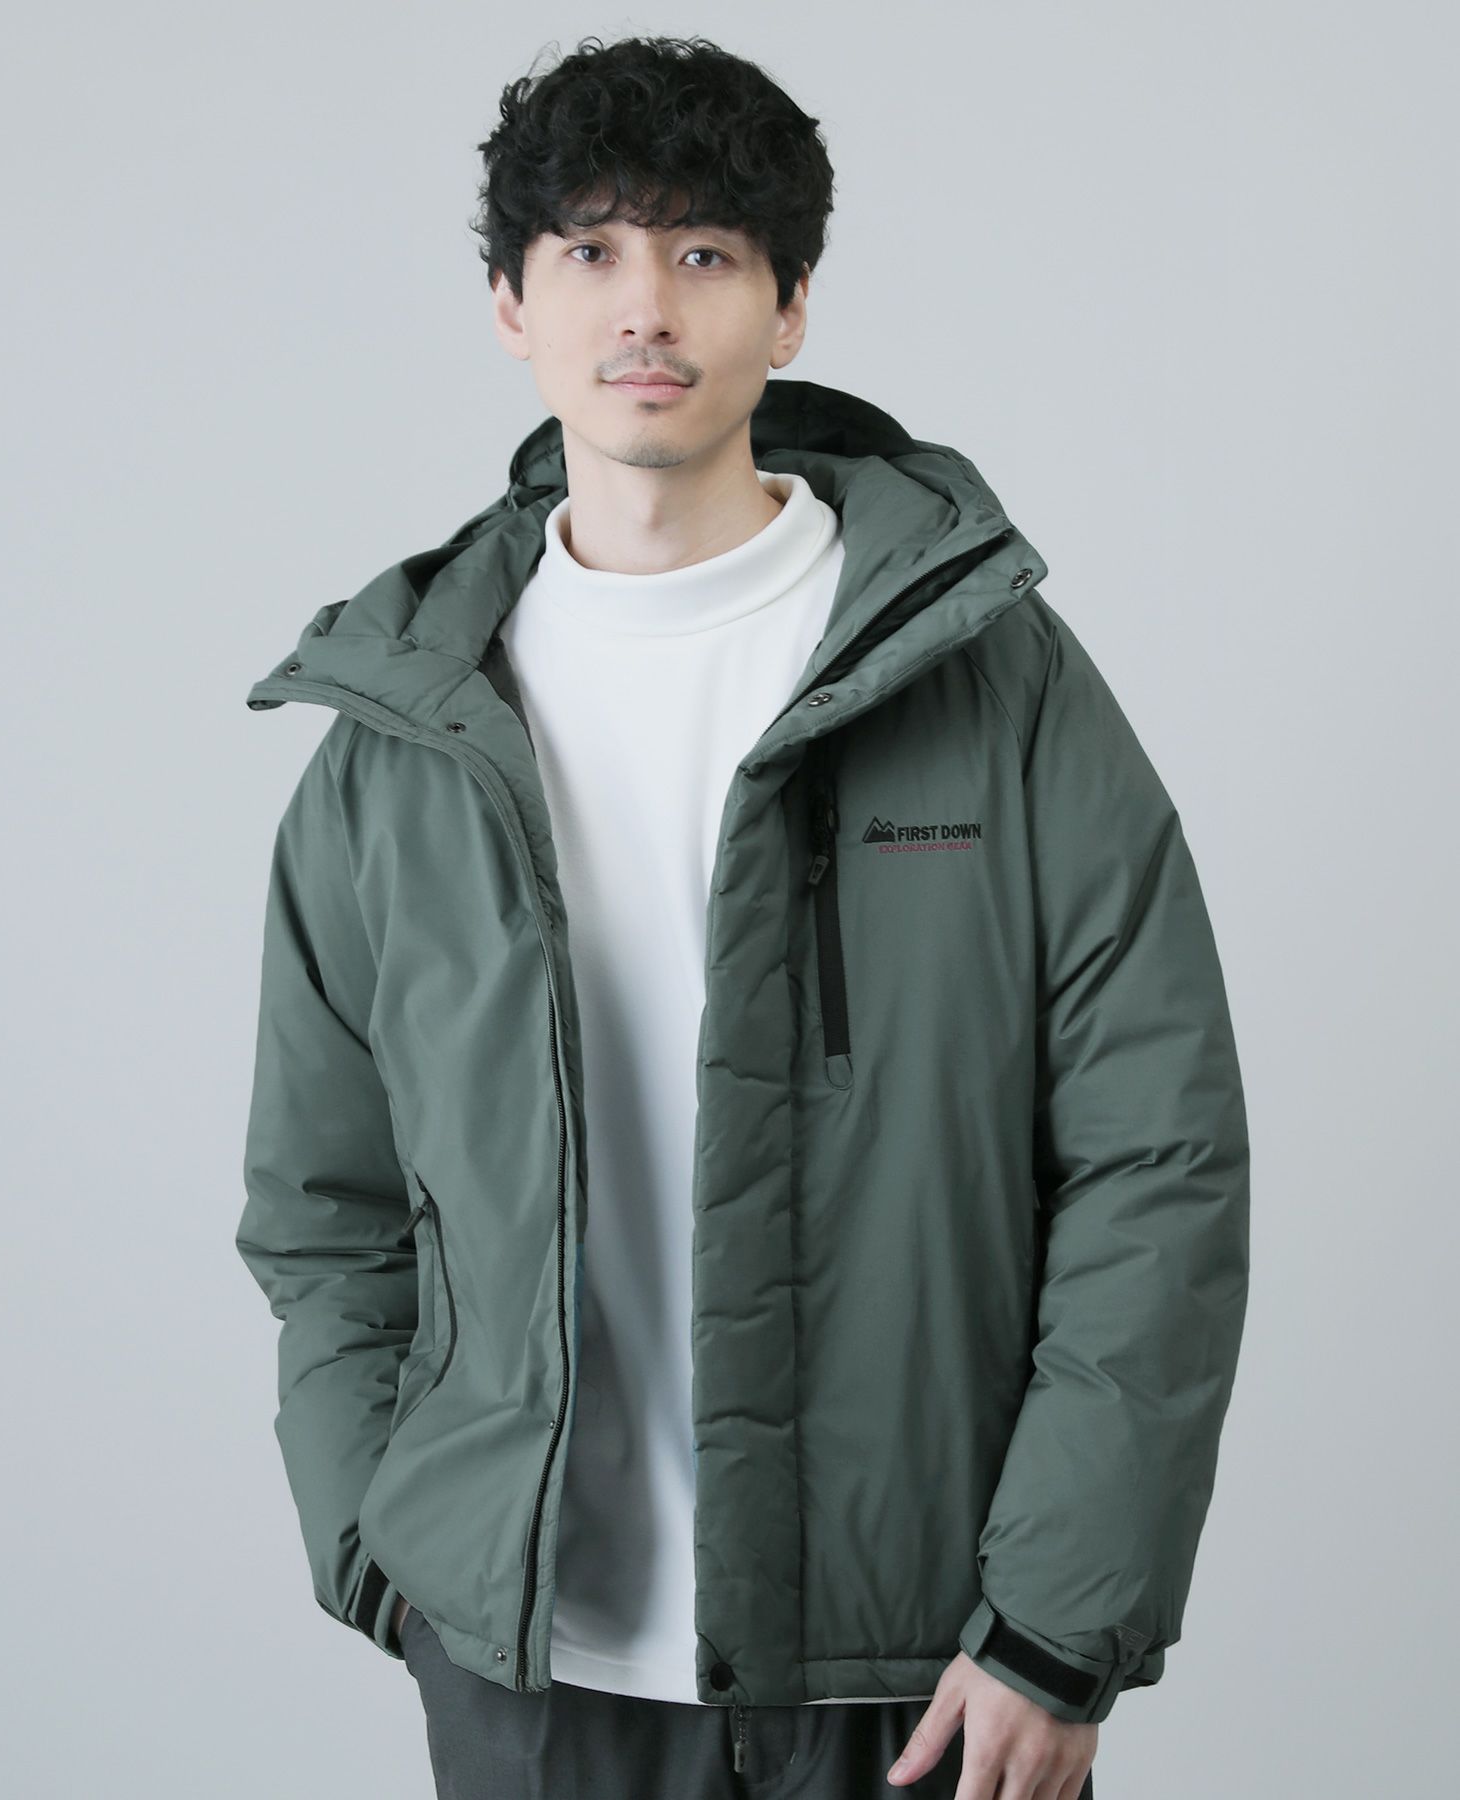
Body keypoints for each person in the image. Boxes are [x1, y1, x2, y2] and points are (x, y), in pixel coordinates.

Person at [234, 31, 1250, 1800]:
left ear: (788, 312)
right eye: (591, 250)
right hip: (535, 1670)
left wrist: (1057, 1623)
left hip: (922, 1664)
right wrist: (392, 1549)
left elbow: (1157, 1159)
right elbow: (324, 1211)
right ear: (511, 304)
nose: (647, 306)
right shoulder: (402, 744)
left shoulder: (987, 678)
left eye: (704, 252)